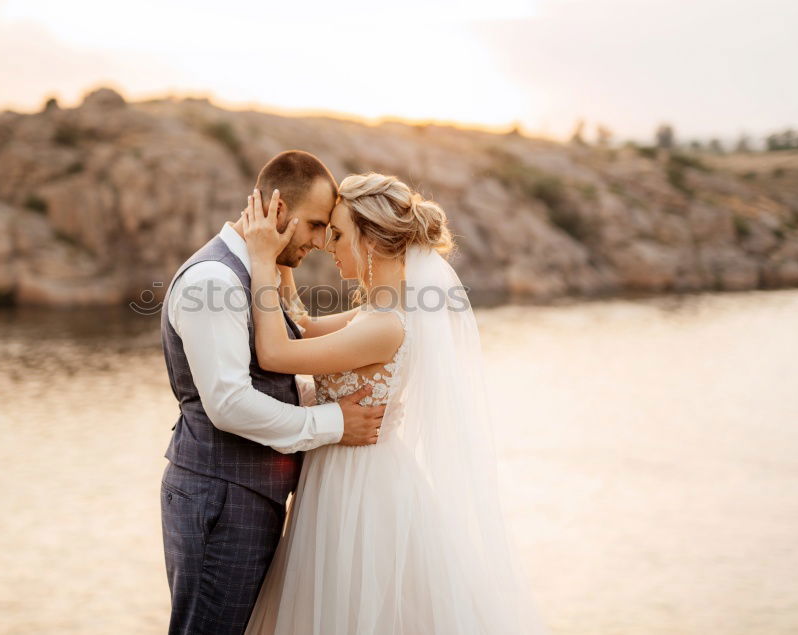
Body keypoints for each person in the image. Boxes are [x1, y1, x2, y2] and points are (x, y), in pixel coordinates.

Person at [240, 174, 549, 634]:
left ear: (373, 241)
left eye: (340, 235)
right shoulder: (377, 312)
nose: (328, 245)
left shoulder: (386, 326)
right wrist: (284, 253)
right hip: (340, 474)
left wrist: (262, 262)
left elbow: (276, 353)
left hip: (360, 488)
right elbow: (300, 326)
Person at [158, 151, 386, 635]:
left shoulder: (251, 275)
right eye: (316, 226)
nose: (322, 243)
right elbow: (229, 403)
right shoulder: (215, 282)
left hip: (244, 495)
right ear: (279, 210)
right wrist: (335, 424)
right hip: (220, 499)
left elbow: (290, 347)